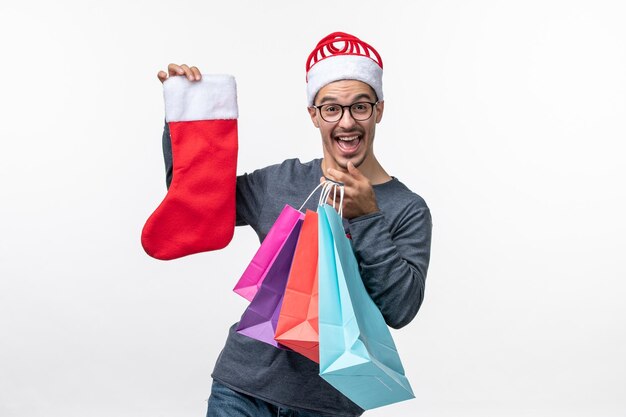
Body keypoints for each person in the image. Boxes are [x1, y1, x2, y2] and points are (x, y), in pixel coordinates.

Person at [157, 32, 432, 417]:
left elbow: (400, 310)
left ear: (380, 110)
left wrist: (369, 216)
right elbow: (193, 201)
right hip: (241, 390)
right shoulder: (279, 182)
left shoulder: (407, 208)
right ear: (314, 114)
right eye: (332, 109)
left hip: (326, 405)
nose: (347, 122)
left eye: (361, 107)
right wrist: (189, 116)